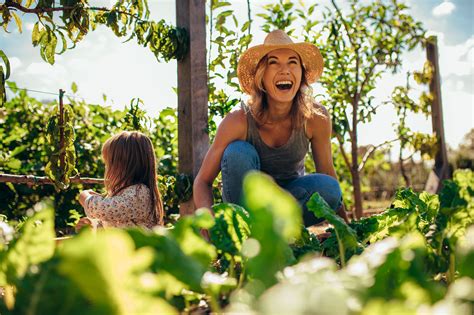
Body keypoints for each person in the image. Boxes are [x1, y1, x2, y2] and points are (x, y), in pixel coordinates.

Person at [193, 30, 349, 226]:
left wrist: (347, 231)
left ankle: (280, 232)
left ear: (301, 74)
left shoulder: (316, 117)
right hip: (246, 209)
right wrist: (206, 220)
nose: (285, 70)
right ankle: (249, 235)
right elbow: (202, 181)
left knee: (330, 188)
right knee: (237, 152)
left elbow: (327, 172)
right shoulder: (238, 120)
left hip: (290, 202)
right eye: (273, 63)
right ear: (261, 75)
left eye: (292, 62)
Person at [77, 131, 164, 230]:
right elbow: (112, 222)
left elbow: (106, 210)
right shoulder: (122, 194)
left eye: (108, 163)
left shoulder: (139, 192)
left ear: (122, 166)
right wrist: (93, 226)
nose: (106, 168)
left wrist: (86, 198)